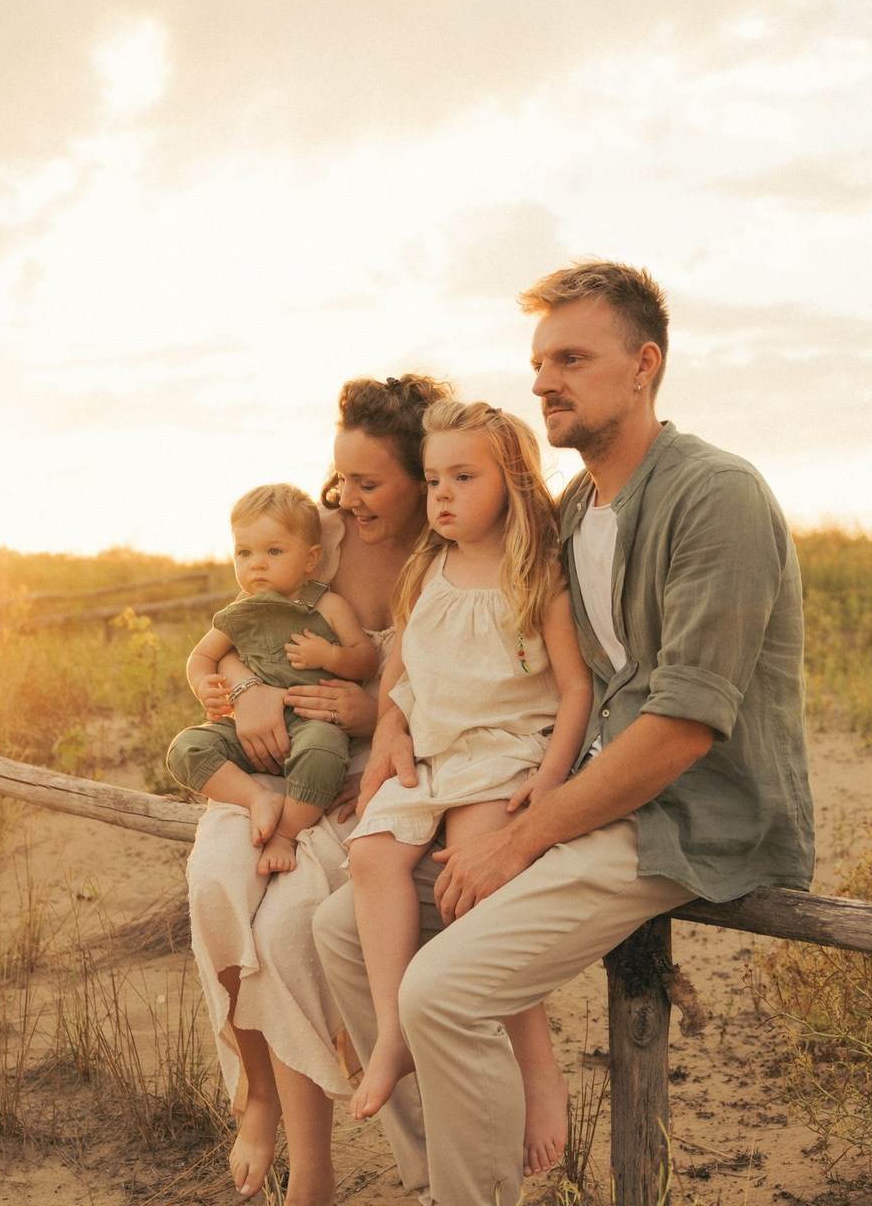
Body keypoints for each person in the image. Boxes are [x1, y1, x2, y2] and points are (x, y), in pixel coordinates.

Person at [314, 261, 815, 1206]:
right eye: (539, 360)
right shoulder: (572, 514)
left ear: (644, 366)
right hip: (574, 787)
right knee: (341, 930)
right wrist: (394, 726)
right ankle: (446, 1180)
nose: (544, 380)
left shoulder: (715, 496)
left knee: (443, 992)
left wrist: (521, 836)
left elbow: (682, 729)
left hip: (678, 814)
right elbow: (462, 636)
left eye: (573, 358)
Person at [181, 374, 457, 1206]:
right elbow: (240, 628)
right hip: (278, 749)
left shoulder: (449, 552)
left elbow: (463, 688)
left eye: (369, 483)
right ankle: (256, 1094)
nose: (347, 497)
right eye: (341, 478)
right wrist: (245, 691)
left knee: (296, 918)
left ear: (425, 475)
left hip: (376, 772)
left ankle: (313, 1168)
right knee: (212, 882)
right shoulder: (319, 538)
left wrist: (374, 709)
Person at [344, 399, 591, 1149]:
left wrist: (551, 777)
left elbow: (576, 688)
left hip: (505, 755)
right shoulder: (427, 568)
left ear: (511, 482)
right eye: (431, 479)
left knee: (468, 893)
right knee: (370, 854)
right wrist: (392, 727)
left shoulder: (535, 573)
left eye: (462, 476)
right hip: (435, 748)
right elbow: (402, 668)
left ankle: (538, 1075)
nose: (441, 494)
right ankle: (393, 1031)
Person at [166, 482, 379, 874]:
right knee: (186, 748)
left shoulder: (327, 606)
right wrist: (204, 686)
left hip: (312, 725)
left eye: (273, 551)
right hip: (250, 735)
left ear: (311, 558)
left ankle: (285, 833)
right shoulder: (240, 611)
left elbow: (366, 658)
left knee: (324, 751)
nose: (256, 564)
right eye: (244, 552)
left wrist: (330, 655)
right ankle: (256, 798)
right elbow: (202, 656)